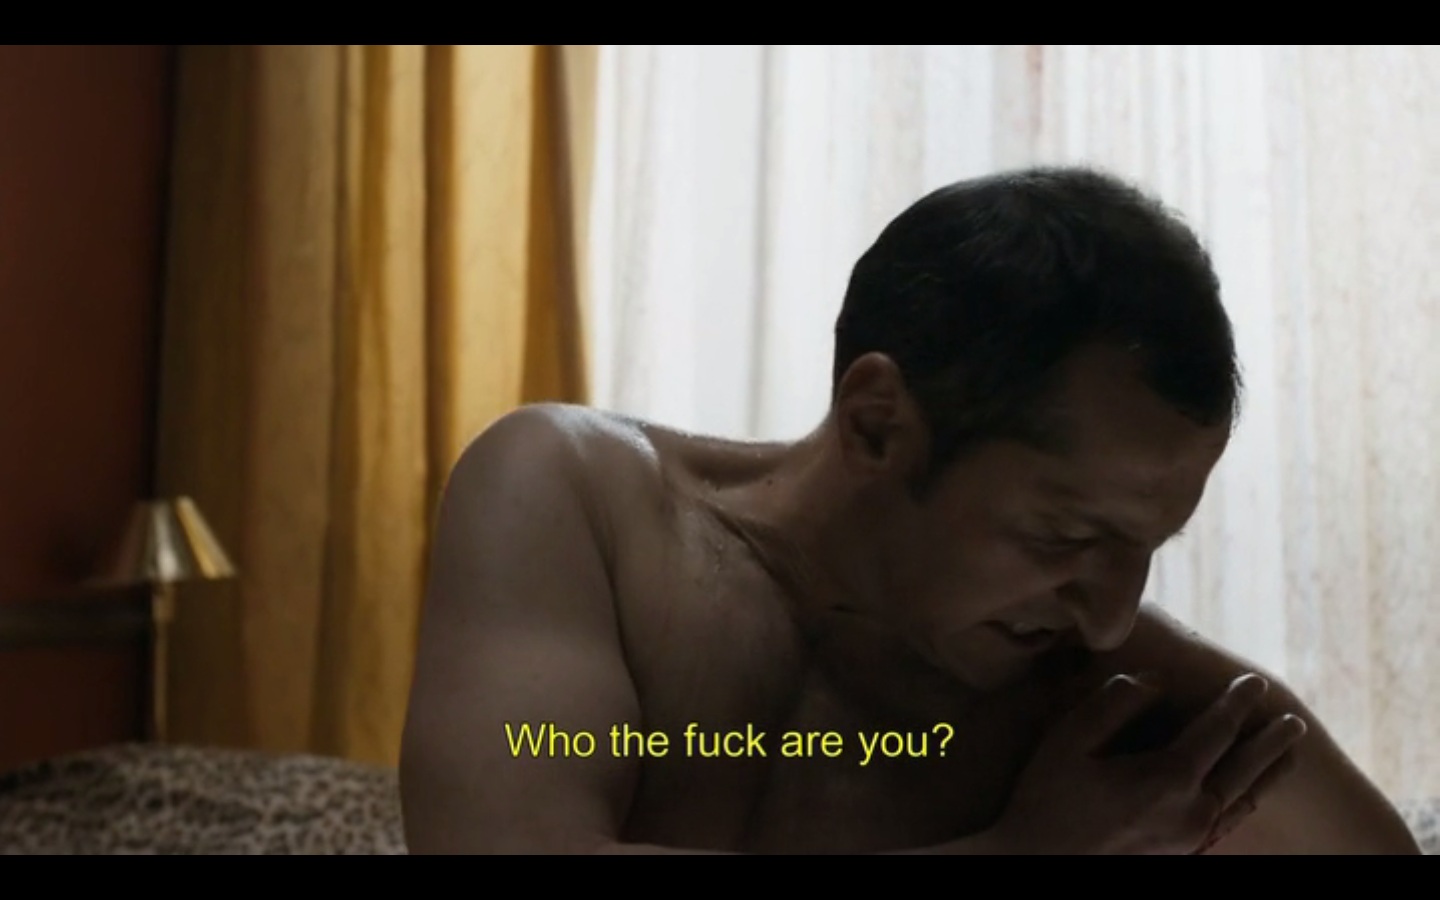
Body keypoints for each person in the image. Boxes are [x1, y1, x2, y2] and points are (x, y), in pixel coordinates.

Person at [398, 166, 1421, 854]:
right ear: (879, 424)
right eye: (1065, 536)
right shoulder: (582, 502)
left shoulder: (1102, 693)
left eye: (1146, 547)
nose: (1111, 616)